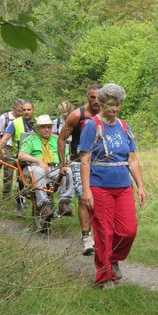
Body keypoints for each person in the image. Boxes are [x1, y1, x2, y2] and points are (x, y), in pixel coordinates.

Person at [79, 83, 146, 289]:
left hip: (123, 185)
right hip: (100, 186)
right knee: (104, 232)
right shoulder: (92, 126)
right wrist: (86, 190)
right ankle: (104, 276)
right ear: (100, 103)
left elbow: (132, 159)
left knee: (129, 230)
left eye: (118, 105)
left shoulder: (124, 126)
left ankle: (113, 258)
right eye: (111, 105)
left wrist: (140, 186)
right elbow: (85, 158)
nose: (115, 109)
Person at [58, 84, 102, 256]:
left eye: (99, 97)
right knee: (84, 197)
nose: (96, 100)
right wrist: (63, 163)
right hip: (78, 161)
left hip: (100, 162)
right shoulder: (77, 115)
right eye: (92, 97)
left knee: (98, 198)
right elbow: (61, 139)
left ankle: (101, 235)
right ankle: (86, 238)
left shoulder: (107, 115)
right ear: (87, 98)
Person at [18, 114, 74, 218]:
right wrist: (38, 161)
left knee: (68, 171)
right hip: (34, 168)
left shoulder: (56, 140)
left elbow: (66, 155)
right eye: (43, 127)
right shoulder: (31, 139)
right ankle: (43, 204)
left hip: (55, 168)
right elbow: (21, 155)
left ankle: (64, 202)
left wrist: (65, 163)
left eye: (49, 127)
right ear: (37, 128)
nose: (46, 130)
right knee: (37, 170)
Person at [0, 100, 36, 216]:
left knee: (32, 181)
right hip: (19, 156)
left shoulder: (39, 123)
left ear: (33, 110)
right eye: (24, 110)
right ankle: (19, 203)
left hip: (35, 157)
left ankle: (38, 205)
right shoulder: (15, 123)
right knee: (21, 180)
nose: (26, 112)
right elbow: (6, 137)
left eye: (29, 110)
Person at [0, 98, 24, 202]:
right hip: (7, 146)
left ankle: (20, 196)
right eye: (18, 110)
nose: (20, 113)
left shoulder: (24, 119)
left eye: (22, 110)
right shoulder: (5, 117)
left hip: (20, 147)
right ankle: (6, 195)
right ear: (14, 108)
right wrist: (0, 149)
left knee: (22, 172)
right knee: (8, 172)